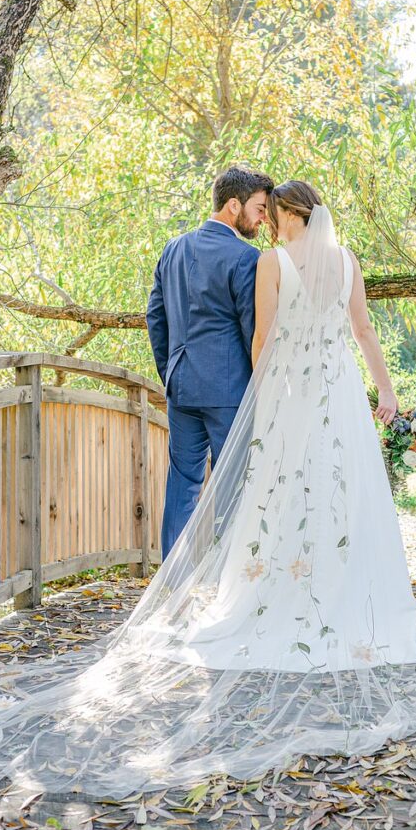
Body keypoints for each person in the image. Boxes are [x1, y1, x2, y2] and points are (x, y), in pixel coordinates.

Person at [0, 180, 416, 802]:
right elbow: (317, 333)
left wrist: (177, 374)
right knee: (295, 491)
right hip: (300, 391)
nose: (265, 220)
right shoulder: (300, 259)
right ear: (243, 205)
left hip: (194, 385)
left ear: (289, 213)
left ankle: (180, 585)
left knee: (195, 486)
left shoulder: (195, 253)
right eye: (258, 209)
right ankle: (314, 587)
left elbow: (183, 321)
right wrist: (377, 393)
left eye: (273, 213)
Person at [146, 165, 274, 558]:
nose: (263, 217)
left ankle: (172, 582)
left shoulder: (173, 248)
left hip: (181, 386)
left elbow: (155, 317)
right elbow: (254, 330)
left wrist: (170, 369)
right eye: (258, 208)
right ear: (233, 205)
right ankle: (226, 579)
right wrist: (262, 389)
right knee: (231, 484)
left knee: (181, 483)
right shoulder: (245, 258)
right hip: (229, 389)